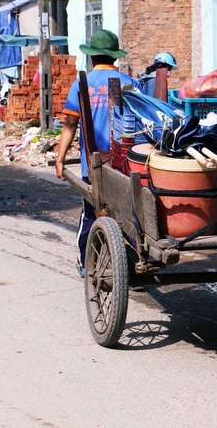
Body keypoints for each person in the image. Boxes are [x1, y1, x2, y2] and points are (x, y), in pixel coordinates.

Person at [55, 29, 143, 275]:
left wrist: (60, 160)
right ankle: (135, 256)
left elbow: (70, 125)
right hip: (127, 166)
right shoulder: (132, 84)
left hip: (93, 167)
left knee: (90, 215)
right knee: (131, 213)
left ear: (92, 57)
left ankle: (85, 262)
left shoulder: (81, 85)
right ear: (114, 57)